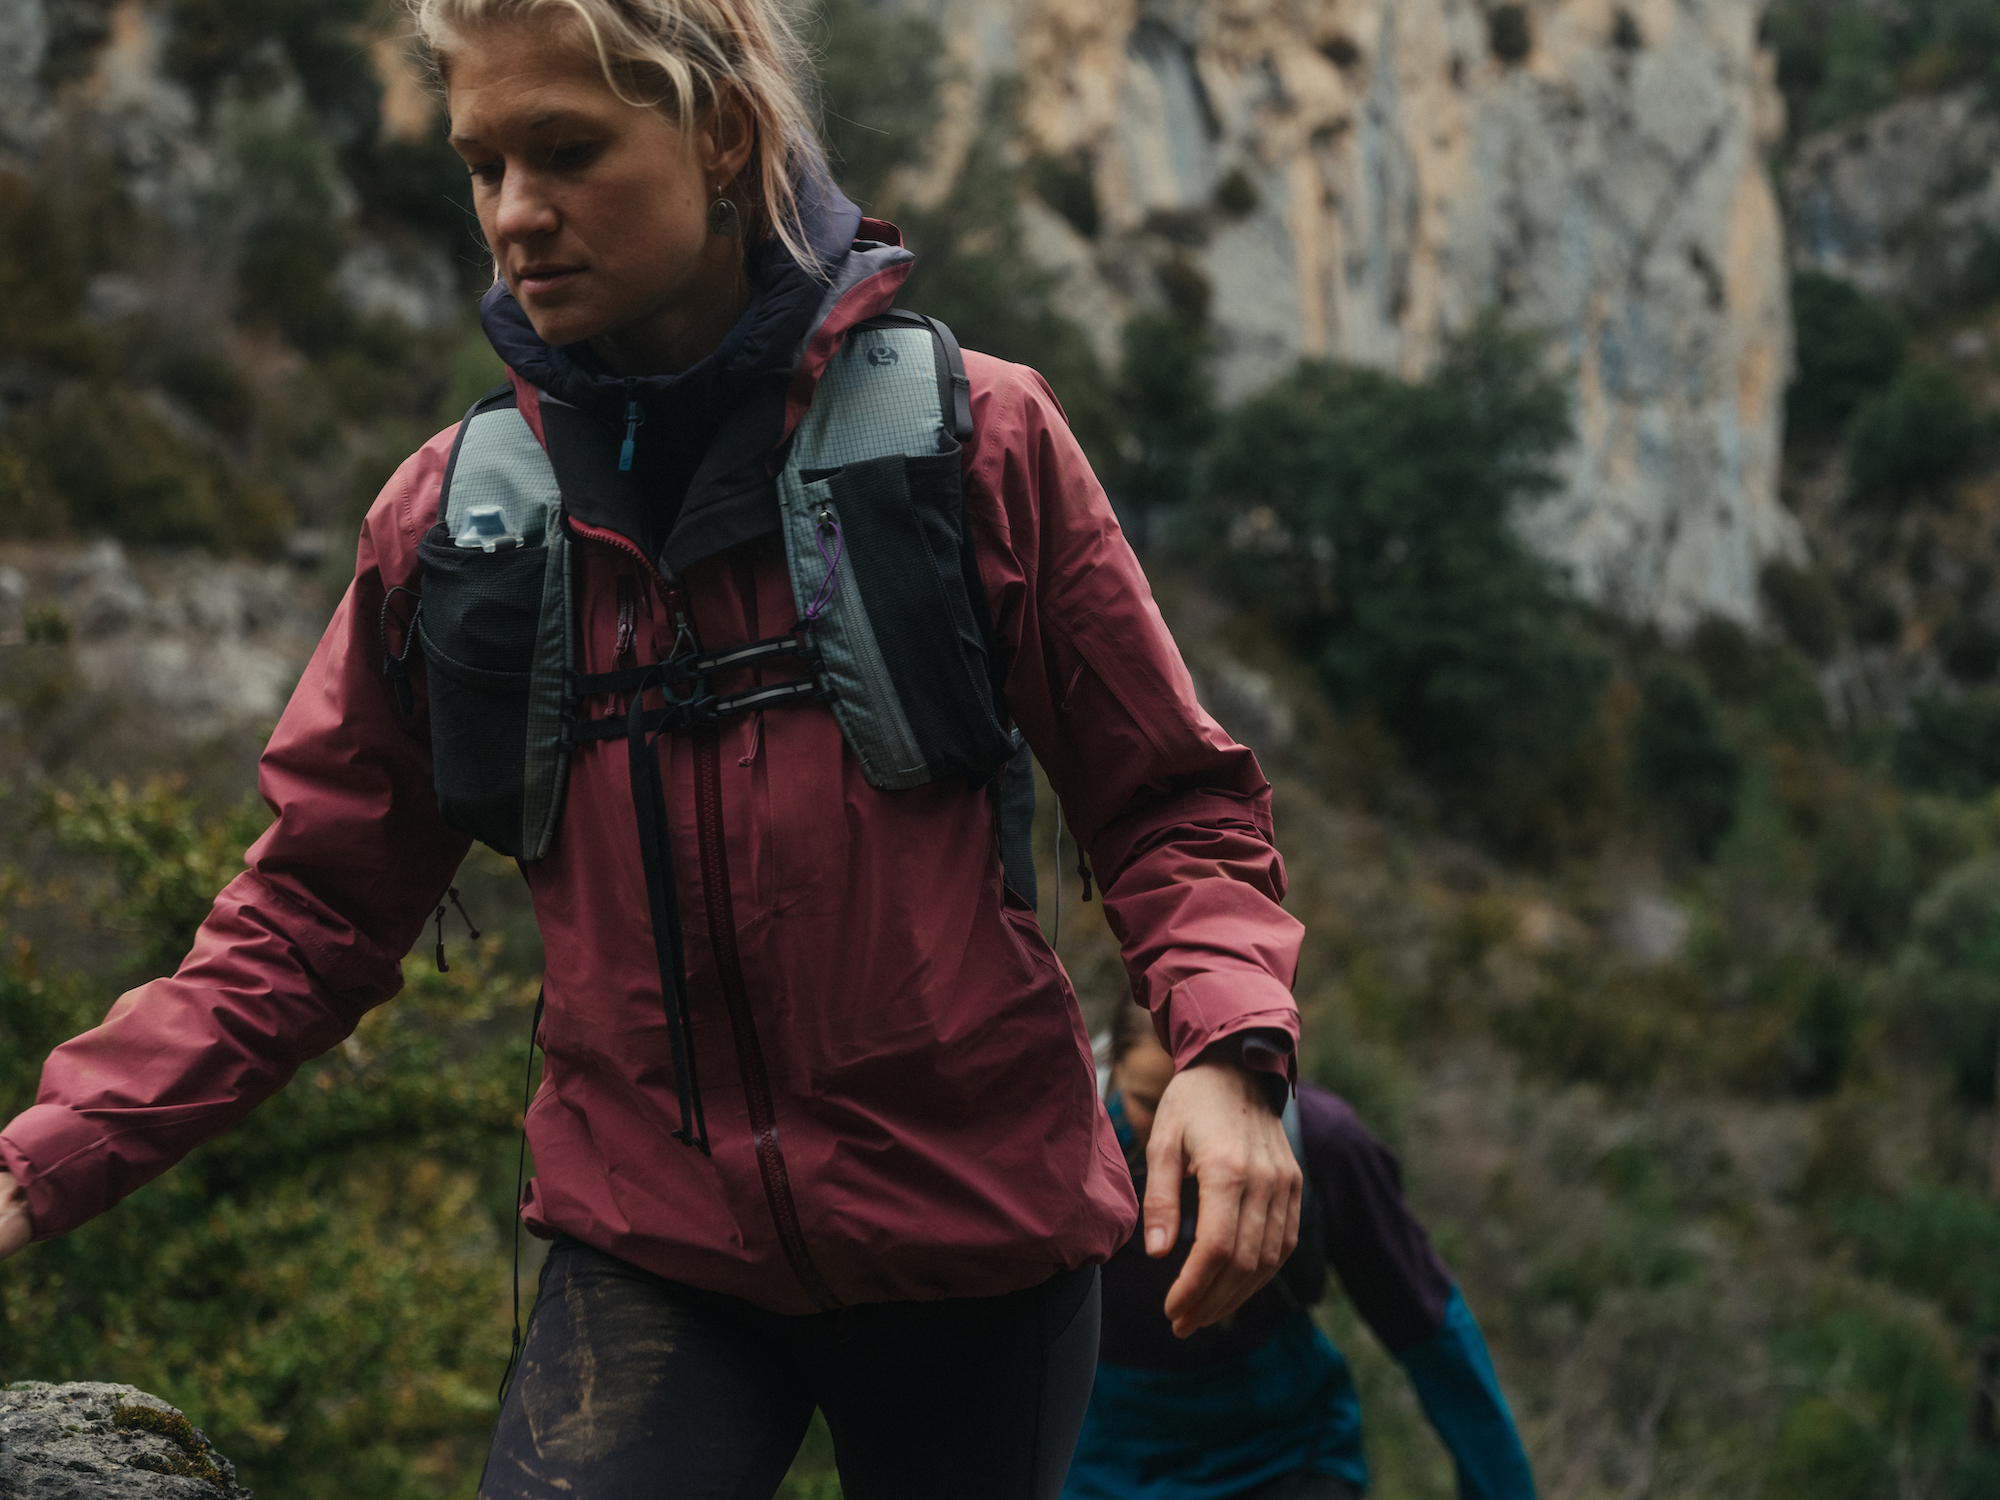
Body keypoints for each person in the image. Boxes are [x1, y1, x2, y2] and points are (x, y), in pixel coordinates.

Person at [0, 0, 1312, 1494]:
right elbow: (308, 913)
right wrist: (42, 1157)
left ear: (725, 137)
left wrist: (1227, 1053)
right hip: (649, 1251)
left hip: (978, 1249)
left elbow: (1171, 805)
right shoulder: (453, 525)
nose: (513, 213)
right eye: (482, 162)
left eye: (566, 150)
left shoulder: (974, 441)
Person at [1066, 1005, 1535, 1500]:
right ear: (1112, 1067)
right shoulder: (1073, 1143)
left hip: (1281, 1459)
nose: (1173, 1139)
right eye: (1148, 1101)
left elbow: (1429, 1329)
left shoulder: (1323, 1146)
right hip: (1098, 1464)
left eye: (1203, 1109)